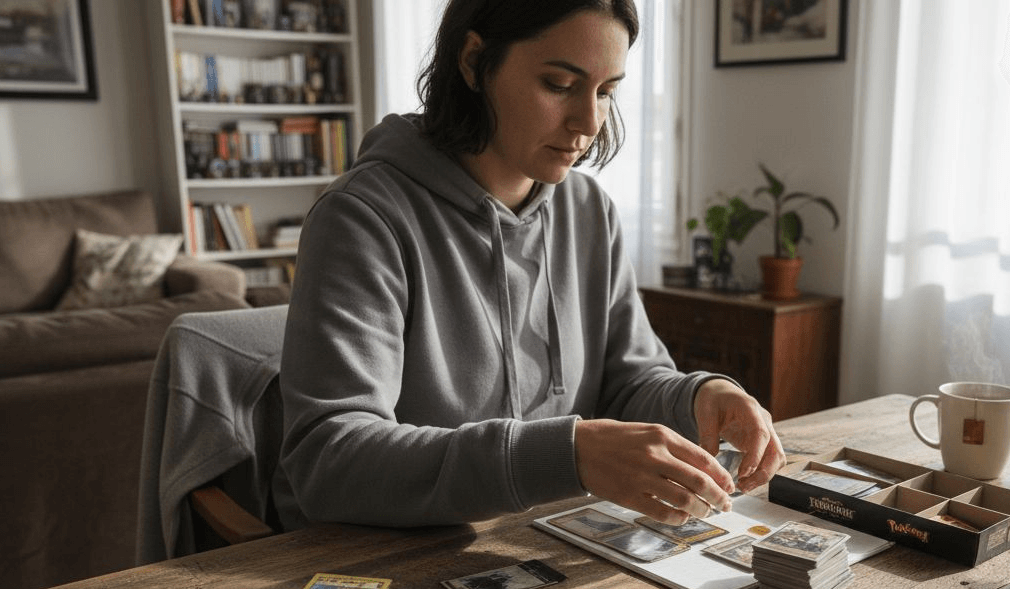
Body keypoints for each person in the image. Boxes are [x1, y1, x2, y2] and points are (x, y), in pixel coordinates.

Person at [278, 0, 786, 531]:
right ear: (474, 62)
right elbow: (329, 460)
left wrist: (700, 396)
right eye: (559, 84)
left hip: (548, 538)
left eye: (606, 92)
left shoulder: (589, 209)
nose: (589, 122)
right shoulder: (362, 218)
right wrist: (564, 456)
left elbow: (630, 382)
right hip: (394, 553)